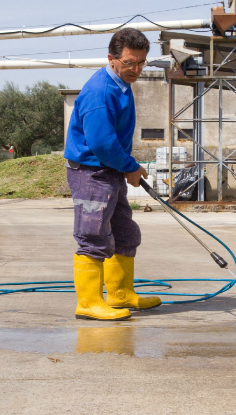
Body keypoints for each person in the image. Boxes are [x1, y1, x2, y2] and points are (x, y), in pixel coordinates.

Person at [63, 28, 161, 321]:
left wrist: (124, 167)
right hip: (92, 173)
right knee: (93, 236)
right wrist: (130, 166)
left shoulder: (120, 84)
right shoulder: (101, 91)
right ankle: (89, 302)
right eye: (130, 62)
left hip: (110, 170)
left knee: (125, 233)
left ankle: (120, 295)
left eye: (141, 62)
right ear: (112, 58)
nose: (136, 69)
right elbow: (102, 142)